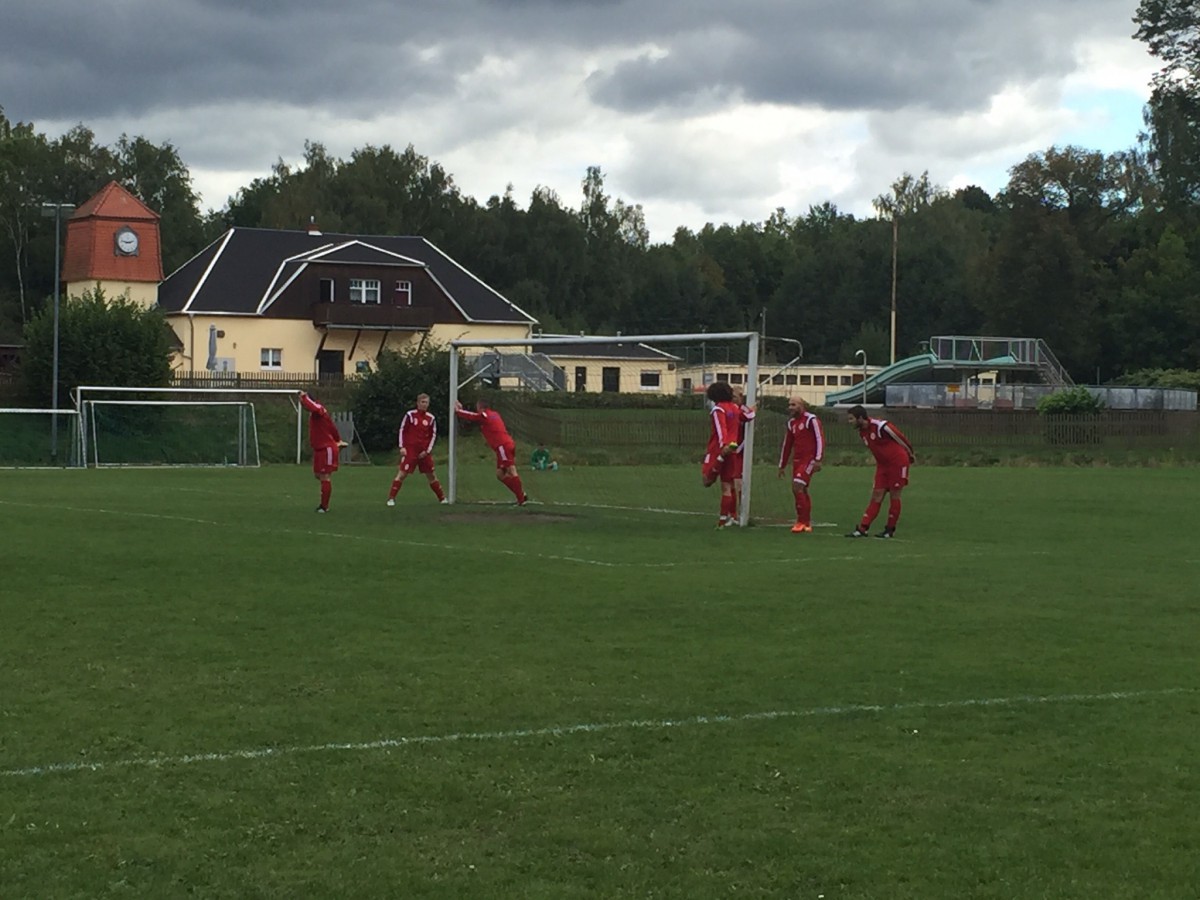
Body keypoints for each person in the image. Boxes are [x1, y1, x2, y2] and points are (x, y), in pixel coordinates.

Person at [845, 404, 915, 538]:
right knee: (877, 494)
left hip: (897, 462)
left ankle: (890, 529)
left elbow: (900, 437)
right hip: (882, 465)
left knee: (894, 495)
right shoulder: (862, 432)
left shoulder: (881, 426)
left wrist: (910, 453)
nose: (850, 422)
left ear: (860, 418)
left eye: (851, 419)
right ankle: (863, 528)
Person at [454, 398, 528, 505]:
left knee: (511, 470)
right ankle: (521, 494)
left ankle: (521, 499)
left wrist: (458, 411)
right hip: (506, 444)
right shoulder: (495, 414)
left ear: (480, 407)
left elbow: (474, 417)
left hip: (503, 445)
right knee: (500, 474)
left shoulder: (485, 415)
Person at [387, 393, 447, 506]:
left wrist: (427, 451)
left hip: (424, 452)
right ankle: (391, 498)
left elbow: (433, 435)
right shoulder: (410, 415)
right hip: (410, 450)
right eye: (422, 402)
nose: (424, 405)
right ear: (418, 403)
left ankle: (442, 498)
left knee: (431, 475)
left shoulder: (431, 418)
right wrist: (402, 446)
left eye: (426, 403)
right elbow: (402, 430)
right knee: (402, 474)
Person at [777, 396, 825, 533]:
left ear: (801, 405)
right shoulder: (791, 423)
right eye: (789, 405)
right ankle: (806, 523)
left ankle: (801, 521)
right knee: (801, 490)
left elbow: (819, 438)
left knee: (797, 487)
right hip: (797, 461)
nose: (790, 407)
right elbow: (787, 445)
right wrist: (782, 465)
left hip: (809, 459)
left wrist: (818, 458)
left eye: (793, 404)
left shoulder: (811, 419)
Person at [701, 381, 743, 528]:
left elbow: (721, 428)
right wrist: (752, 409)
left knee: (706, 480)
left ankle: (723, 520)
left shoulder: (718, 409)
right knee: (727, 485)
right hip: (733, 450)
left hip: (719, 450)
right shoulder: (735, 408)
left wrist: (723, 446)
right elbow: (749, 415)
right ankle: (728, 518)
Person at [299, 391, 348, 513]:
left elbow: (313, 407)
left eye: (303, 403)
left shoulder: (318, 408)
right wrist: (338, 439)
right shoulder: (316, 414)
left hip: (326, 449)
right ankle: (324, 502)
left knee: (325, 476)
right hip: (320, 449)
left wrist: (304, 397)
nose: (303, 406)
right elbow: (331, 426)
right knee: (318, 475)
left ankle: (324, 506)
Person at [731, 388, 757, 522]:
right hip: (730, 450)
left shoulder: (744, 409)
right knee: (730, 484)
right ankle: (732, 514)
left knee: (738, 483)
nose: (733, 399)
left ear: (741, 397)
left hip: (740, 452)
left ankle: (741, 514)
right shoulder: (729, 409)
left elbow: (751, 415)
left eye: (735, 396)